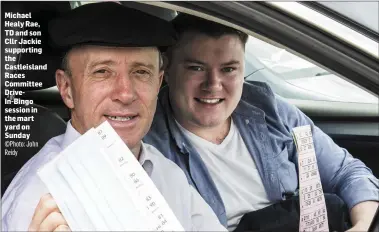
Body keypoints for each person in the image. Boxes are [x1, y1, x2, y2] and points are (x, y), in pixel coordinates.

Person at [1, 3, 227, 231]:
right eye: (102, 72)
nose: (126, 94)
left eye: (141, 72)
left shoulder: (166, 173)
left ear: (158, 83)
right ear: (67, 88)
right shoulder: (37, 202)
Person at [143, 13, 379, 231]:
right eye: (196, 68)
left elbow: (347, 172)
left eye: (228, 69)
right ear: (167, 69)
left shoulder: (270, 110)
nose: (213, 84)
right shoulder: (148, 142)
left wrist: (363, 226)